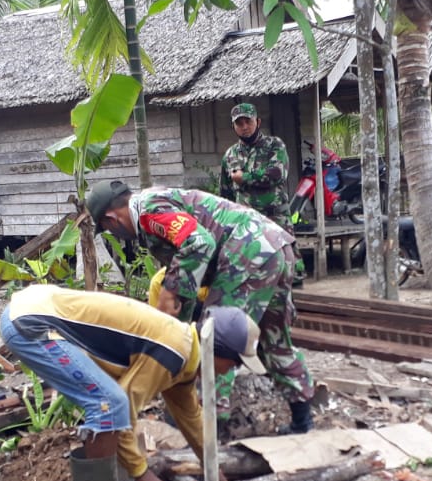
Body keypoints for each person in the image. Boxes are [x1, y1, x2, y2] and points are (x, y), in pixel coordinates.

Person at [1, 284, 265, 481]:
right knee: (108, 404)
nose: (233, 369)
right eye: (236, 361)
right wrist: (143, 474)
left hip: (34, 310)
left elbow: (191, 418)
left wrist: (212, 466)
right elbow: (123, 408)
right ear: (216, 349)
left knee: (111, 401)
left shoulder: (185, 356)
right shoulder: (173, 351)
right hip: (32, 325)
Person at [86, 182, 316, 435]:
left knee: (215, 339)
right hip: (274, 247)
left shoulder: (148, 212)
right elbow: (193, 267)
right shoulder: (156, 200)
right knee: (274, 339)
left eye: (107, 228)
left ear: (111, 219)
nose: (113, 233)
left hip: (246, 252)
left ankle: (209, 430)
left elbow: (199, 243)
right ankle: (302, 422)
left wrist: (170, 290)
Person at [219, 103, 290, 221]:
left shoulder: (274, 145)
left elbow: (276, 175)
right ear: (233, 126)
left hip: (275, 220)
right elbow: (225, 194)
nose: (245, 127)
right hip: (246, 223)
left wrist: (244, 177)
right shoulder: (230, 154)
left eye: (248, 121)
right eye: (239, 123)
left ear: (258, 122)